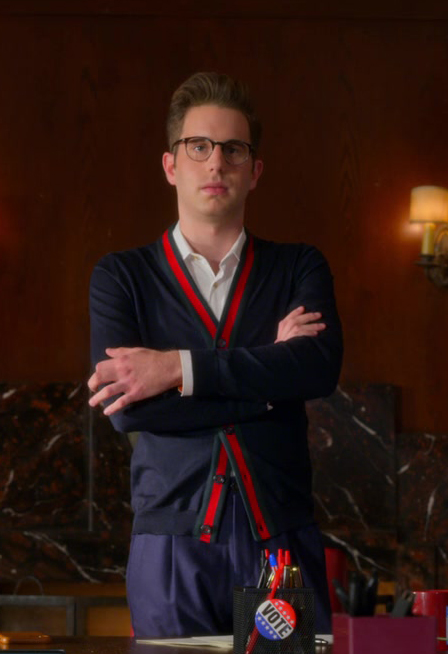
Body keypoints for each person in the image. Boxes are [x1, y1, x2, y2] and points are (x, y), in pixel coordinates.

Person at [88, 71, 343, 637]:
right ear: (170, 165)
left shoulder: (299, 267)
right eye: (198, 147)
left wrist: (175, 368)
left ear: (255, 171)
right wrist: (270, 379)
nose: (216, 163)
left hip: (280, 542)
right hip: (169, 547)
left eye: (233, 149)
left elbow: (317, 369)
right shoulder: (122, 277)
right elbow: (129, 410)